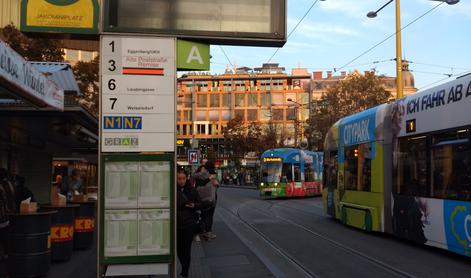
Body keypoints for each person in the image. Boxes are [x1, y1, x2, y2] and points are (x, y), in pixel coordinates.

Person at [177, 169, 204, 278]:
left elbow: (200, 204)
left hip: (189, 224)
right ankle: (184, 267)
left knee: (187, 249)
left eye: (183, 178)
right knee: (179, 249)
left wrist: (194, 206)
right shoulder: (172, 189)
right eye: (179, 178)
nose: (181, 181)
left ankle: (185, 272)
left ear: (187, 178)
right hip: (177, 224)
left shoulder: (192, 190)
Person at [193, 162, 219, 240]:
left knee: (206, 215)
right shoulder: (210, 175)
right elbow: (217, 185)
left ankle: (207, 232)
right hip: (210, 198)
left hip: (207, 198)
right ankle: (207, 232)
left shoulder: (205, 174)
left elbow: (193, 175)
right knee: (208, 216)